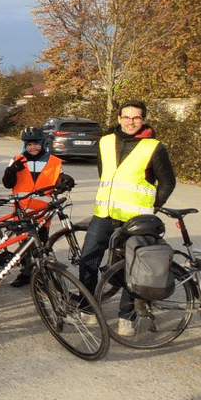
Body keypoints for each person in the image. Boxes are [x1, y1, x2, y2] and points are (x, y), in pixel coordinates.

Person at [77, 100, 176, 332]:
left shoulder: (154, 146)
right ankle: (88, 307)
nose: (130, 122)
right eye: (126, 117)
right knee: (88, 259)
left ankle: (127, 317)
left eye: (136, 117)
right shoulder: (105, 141)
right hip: (104, 214)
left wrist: (153, 207)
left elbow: (168, 181)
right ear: (119, 117)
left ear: (144, 120)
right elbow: (104, 173)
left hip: (136, 219)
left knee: (132, 267)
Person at [2, 127, 75, 287]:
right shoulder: (17, 159)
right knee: (24, 246)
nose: (32, 147)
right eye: (29, 144)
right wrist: (10, 171)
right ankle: (26, 274)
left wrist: (66, 179)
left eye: (36, 144)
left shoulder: (53, 161)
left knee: (42, 244)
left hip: (42, 212)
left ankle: (43, 273)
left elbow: (58, 178)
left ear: (42, 143)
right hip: (22, 212)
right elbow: (8, 184)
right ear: (25, 145)